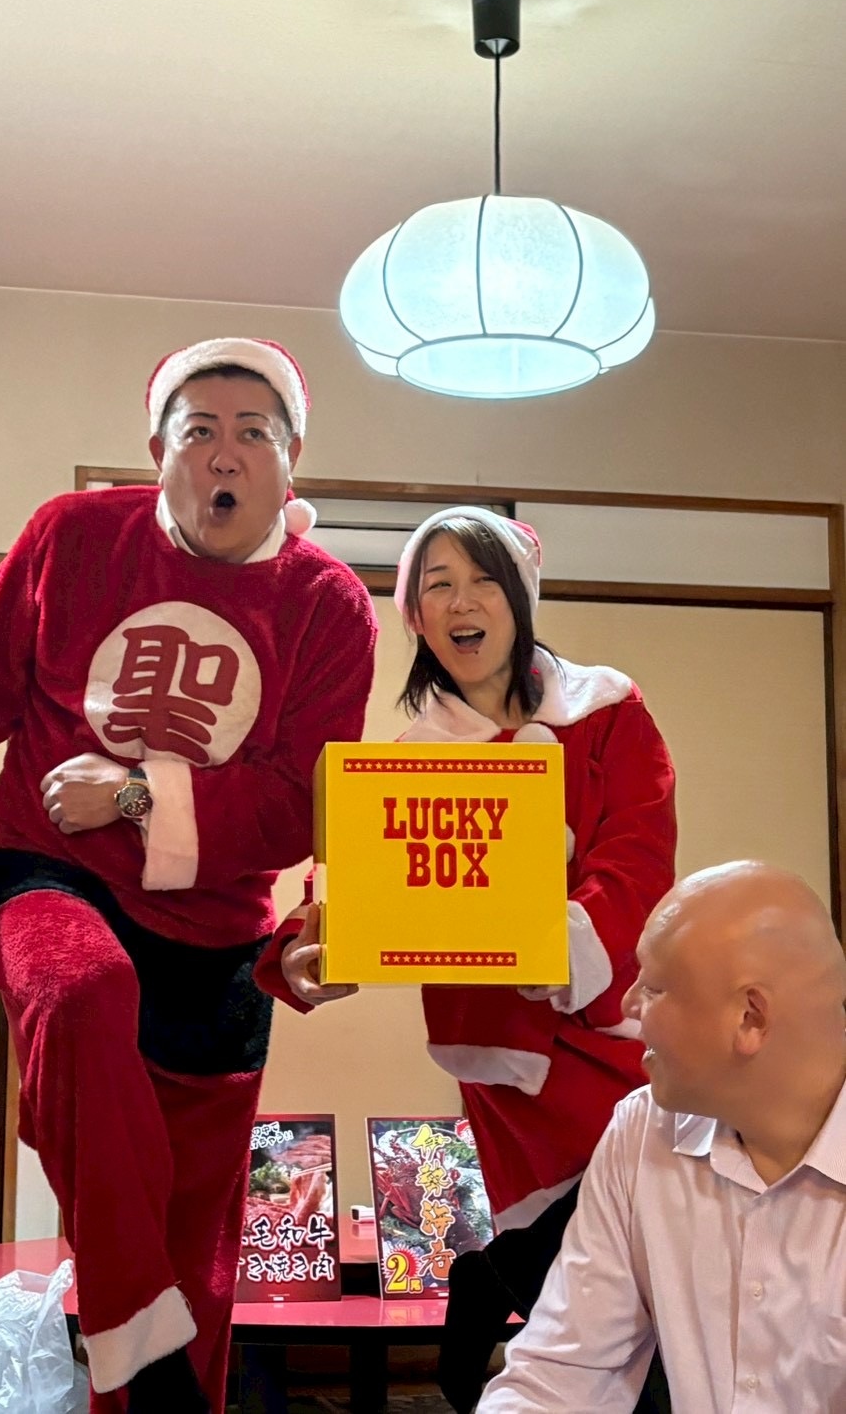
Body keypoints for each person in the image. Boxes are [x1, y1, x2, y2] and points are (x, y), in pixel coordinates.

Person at [0, 337, 378, 1414]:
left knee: (199, 1245)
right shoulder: (72, 537)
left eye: (253, 433)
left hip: (218, 936)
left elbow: (298, 802)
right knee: (84, 993)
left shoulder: (329, 604)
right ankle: (127, 1317)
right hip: (46, 871)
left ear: (292, 460)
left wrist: (136, 794)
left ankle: (153, 1357)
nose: (224, 454)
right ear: (157, 450)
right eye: (199, 431)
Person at [258, 506, 677, 1412]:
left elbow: (638, 859)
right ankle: (505, 1272)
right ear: (415, 616)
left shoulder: (608, 714)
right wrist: (303, 952)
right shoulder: (413, 761)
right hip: (507, 1067)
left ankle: (494, 1275)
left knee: (655, 1289)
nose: (462, 601)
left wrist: (561, 941)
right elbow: (354, 885)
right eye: (437, 585)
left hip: (618, 1039)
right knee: (592, 1303)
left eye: (483, 579)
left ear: (520, 597)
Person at [480, 860, 846, 1414]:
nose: (627, 1005)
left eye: (652, 988)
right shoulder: (643, 1130)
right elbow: (560, 1375)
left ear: (749, 1017)